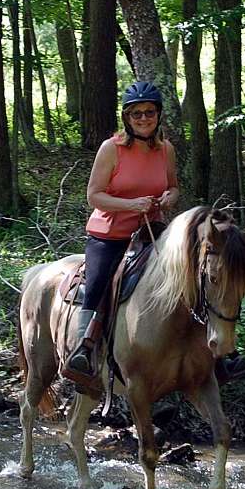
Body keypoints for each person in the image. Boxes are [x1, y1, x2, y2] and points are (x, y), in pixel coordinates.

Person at [65, 80, 179, 376]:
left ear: (158, 115)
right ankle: (83, 348)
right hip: (110, 234)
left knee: (189, 270)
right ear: (127, 118)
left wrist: (169, 197)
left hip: (151, 229)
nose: (144, 118)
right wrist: (131, 205)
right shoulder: (111, 149)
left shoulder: (166, 149)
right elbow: (94, 196)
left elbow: (174, 187)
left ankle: (209, 347)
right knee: (99, 281)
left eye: (149, 112)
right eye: (136, 113)